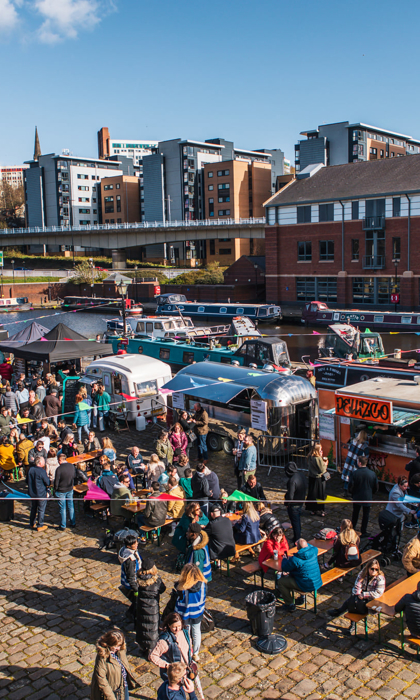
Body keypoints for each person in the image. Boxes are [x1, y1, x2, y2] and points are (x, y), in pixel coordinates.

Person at [328, 560, 386, 632]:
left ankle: (342, 614)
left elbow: (378, 593)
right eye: (372, 569)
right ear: (368, 568)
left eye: (376, 569)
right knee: (353, 601)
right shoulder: (363, 573)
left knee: (353, 603)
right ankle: (350, 622)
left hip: (372, 599)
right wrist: (357, 595)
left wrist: (364, 595)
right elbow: (357, 585)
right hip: (361, 596)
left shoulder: (380, 578)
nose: (374, 571)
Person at [90, 628, 139, 700]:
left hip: (122, 686)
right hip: (111, 693)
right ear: (110, 644)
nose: (118, 648)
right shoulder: (102, 657)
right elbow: (101, 680)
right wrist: (111, 697)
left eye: (119, 646)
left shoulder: (120, 650)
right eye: (116, 646)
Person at [277, 539, 323, 612]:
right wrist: (303, 543)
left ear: (297, 547)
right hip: (317, 582)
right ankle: (301, 598)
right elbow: (311, 546)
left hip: (305, 585)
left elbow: (285, 568)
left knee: (281, 582)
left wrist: (285, 559)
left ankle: (289, 604)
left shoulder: (296, 559)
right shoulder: (314, 551)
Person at [174, 564, 207, 660]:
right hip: (197, 612)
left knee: (186, 634)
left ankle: (188, 651)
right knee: (197, 632)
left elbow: (179, 601)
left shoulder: (182, 587)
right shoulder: (203, 584)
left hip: (185, 614)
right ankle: (196, 653)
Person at [149, 612, 193, 682]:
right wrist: (167, 666)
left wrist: (191, 655)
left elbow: (189, 643)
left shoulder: (185, 632)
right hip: (174, 675)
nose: (177, 629)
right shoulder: (165, 641)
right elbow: (152, 656)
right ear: (169, 625)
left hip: (186, 669)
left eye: (179, 626)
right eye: (174, 627)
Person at [136, 556, 166, 656]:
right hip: (152, 608)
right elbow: (162, 589)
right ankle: (151, 648)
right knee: (152, 628)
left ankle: (142, 646)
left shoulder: (139, 579)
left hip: (141, 606)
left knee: (142, 626)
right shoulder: (157, 581)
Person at [349, 456, 379, 537]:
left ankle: (353, 528)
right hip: (367, 496)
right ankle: (363, 531)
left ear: (359, 463)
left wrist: (352, 493)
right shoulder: (372, 474)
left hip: (357, 496)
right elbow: (376, 487)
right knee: (366, 515)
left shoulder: (355, 473)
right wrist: (371, 493)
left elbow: (351, 486)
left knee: (355, 513)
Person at [118, 533, 142, 621]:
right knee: (137, 600)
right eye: (134, 544)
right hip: (132, 583)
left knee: (136, 601)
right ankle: (132, 614)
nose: (137, 544)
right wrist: (136, 588)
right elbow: (131, 576)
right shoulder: (130, 560)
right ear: (129, 546)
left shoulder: (125, 550)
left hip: (132, 580)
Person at [27, 455, 50, 532]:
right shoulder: (42, 471)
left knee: (33, 508)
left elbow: (27, 481)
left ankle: (31, 523)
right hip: (40, 493)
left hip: (32, 493)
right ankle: (40, 525)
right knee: (41, 509)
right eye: (43, 461)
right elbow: (47, 482)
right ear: (40, 463)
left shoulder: (31, 470)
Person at [54, 453, 76, 530]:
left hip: (61, 490)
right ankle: (73, 522)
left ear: (60, 460)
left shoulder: (59, 469)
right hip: (69, 488)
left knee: (62, 508)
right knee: (71, 506)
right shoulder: (71, 466)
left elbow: (56, 481)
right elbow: (74, 476)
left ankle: (63, 525)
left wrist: (55, 490)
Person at [306, 443, 328, 516]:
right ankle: (321, 510)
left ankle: (312, 509)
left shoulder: (310, 457)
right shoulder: (317, 458)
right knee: (320, 495)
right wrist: (325, 464)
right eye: (320, 450)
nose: (321, 451)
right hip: (318, 479)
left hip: (311, 477)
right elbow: (322, 469)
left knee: (312, 494)